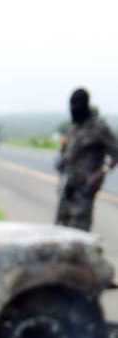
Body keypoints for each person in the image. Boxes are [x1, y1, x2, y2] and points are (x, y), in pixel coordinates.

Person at [55, 88, 118, 231]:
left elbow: (115, 154)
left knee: (78, 236)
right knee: (59, 233)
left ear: (85, 106)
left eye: (76, 106)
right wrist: (62, 157)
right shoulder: (74, 128)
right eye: (71, 106)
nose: (72, 110)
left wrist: (101, 173)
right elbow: (68, 155)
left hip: (84, 191)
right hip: (67, 189)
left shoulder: (99, 128)